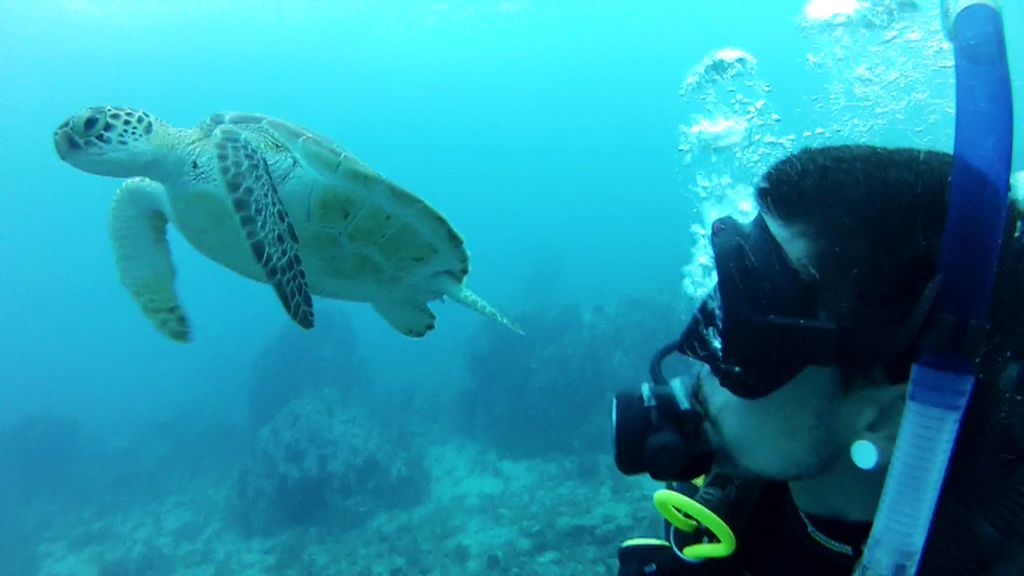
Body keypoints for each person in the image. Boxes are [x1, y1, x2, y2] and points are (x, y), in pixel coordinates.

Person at [614, 145, 1024, 575]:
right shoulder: (729, 499)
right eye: (721, 309)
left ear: (884, 417)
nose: (704, 363)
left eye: (749, 343)